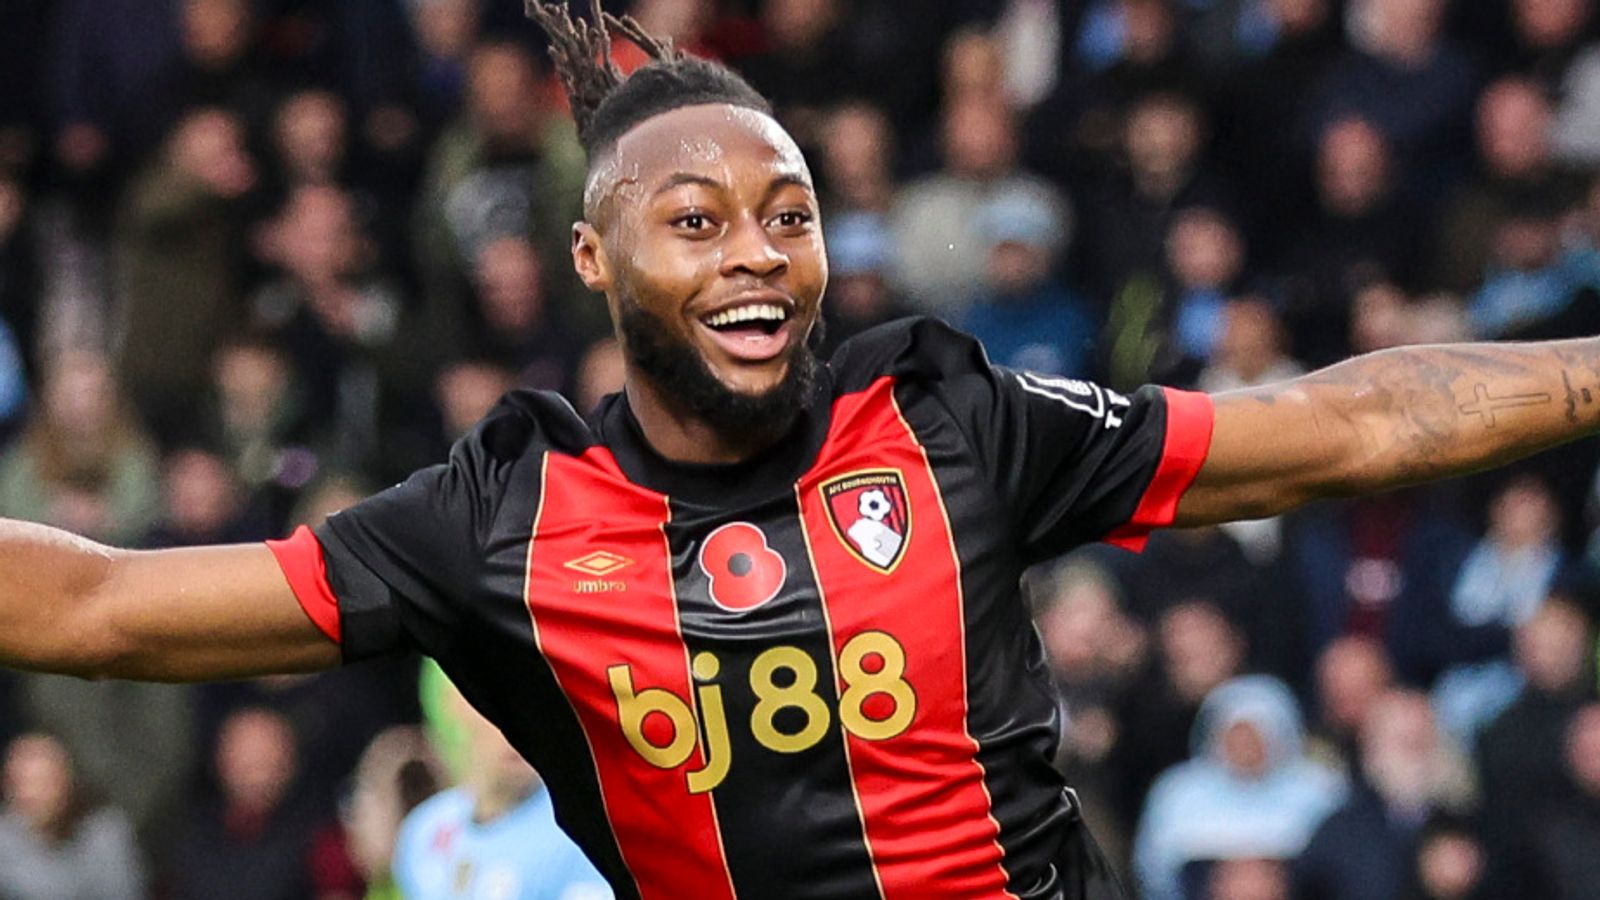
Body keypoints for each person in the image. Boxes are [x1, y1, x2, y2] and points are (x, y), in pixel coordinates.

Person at [10, 3, 1600, 897]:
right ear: (591, 261)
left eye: (789, 215)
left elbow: (1343, 426)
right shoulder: (498, 522)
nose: (755, 255)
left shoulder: (948, 420)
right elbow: (101, 610)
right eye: (692, 223)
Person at [392, 678, 610, 899]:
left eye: (534, 709)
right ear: (459, 702)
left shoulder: (583, 835)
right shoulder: (424, 832)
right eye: (500, 707)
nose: (518, 730)